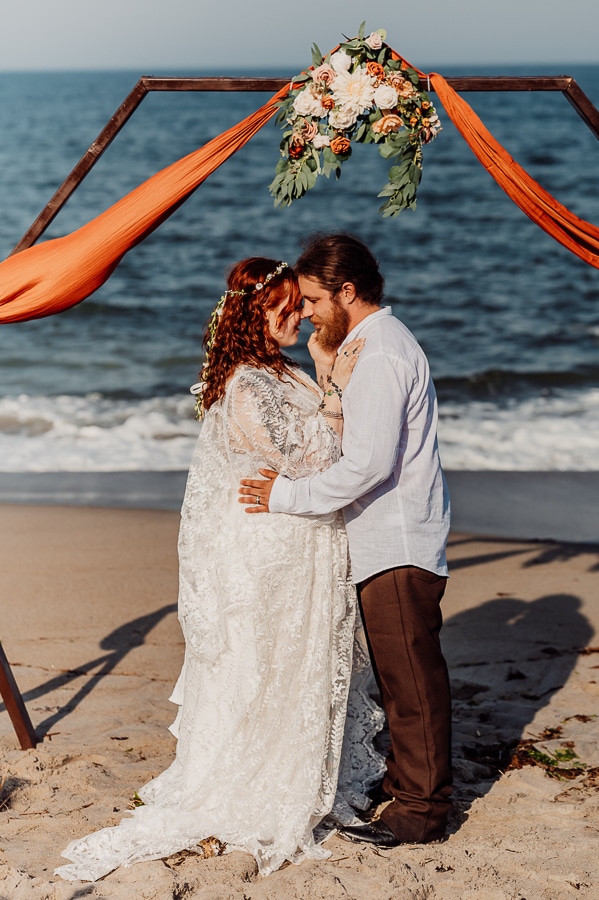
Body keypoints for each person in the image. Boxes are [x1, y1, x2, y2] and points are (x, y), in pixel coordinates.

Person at [55, 257, 384, 883]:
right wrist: (336, 385)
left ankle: (301, 765)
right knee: (264, 666)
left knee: (296, 664)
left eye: (298, 304)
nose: (296, 315)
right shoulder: (246, 385)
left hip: (296, 539)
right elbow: (315, 458)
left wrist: (321, 379)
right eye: (282, 306)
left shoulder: (279, 371)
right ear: (252, 313)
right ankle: (258, 782)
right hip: (269, 551)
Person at [240, 234, 453, 847]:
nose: (304, 311)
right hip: (387, 537)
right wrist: (328, 372)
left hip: (398, 538)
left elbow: (367, 465)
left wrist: (285, 496)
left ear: (347, 292)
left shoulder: (382, 351)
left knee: (411, 681)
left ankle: (422, 811)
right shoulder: (364, 345)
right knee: (399, 677)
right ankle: (409, 782)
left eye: (311, 299)